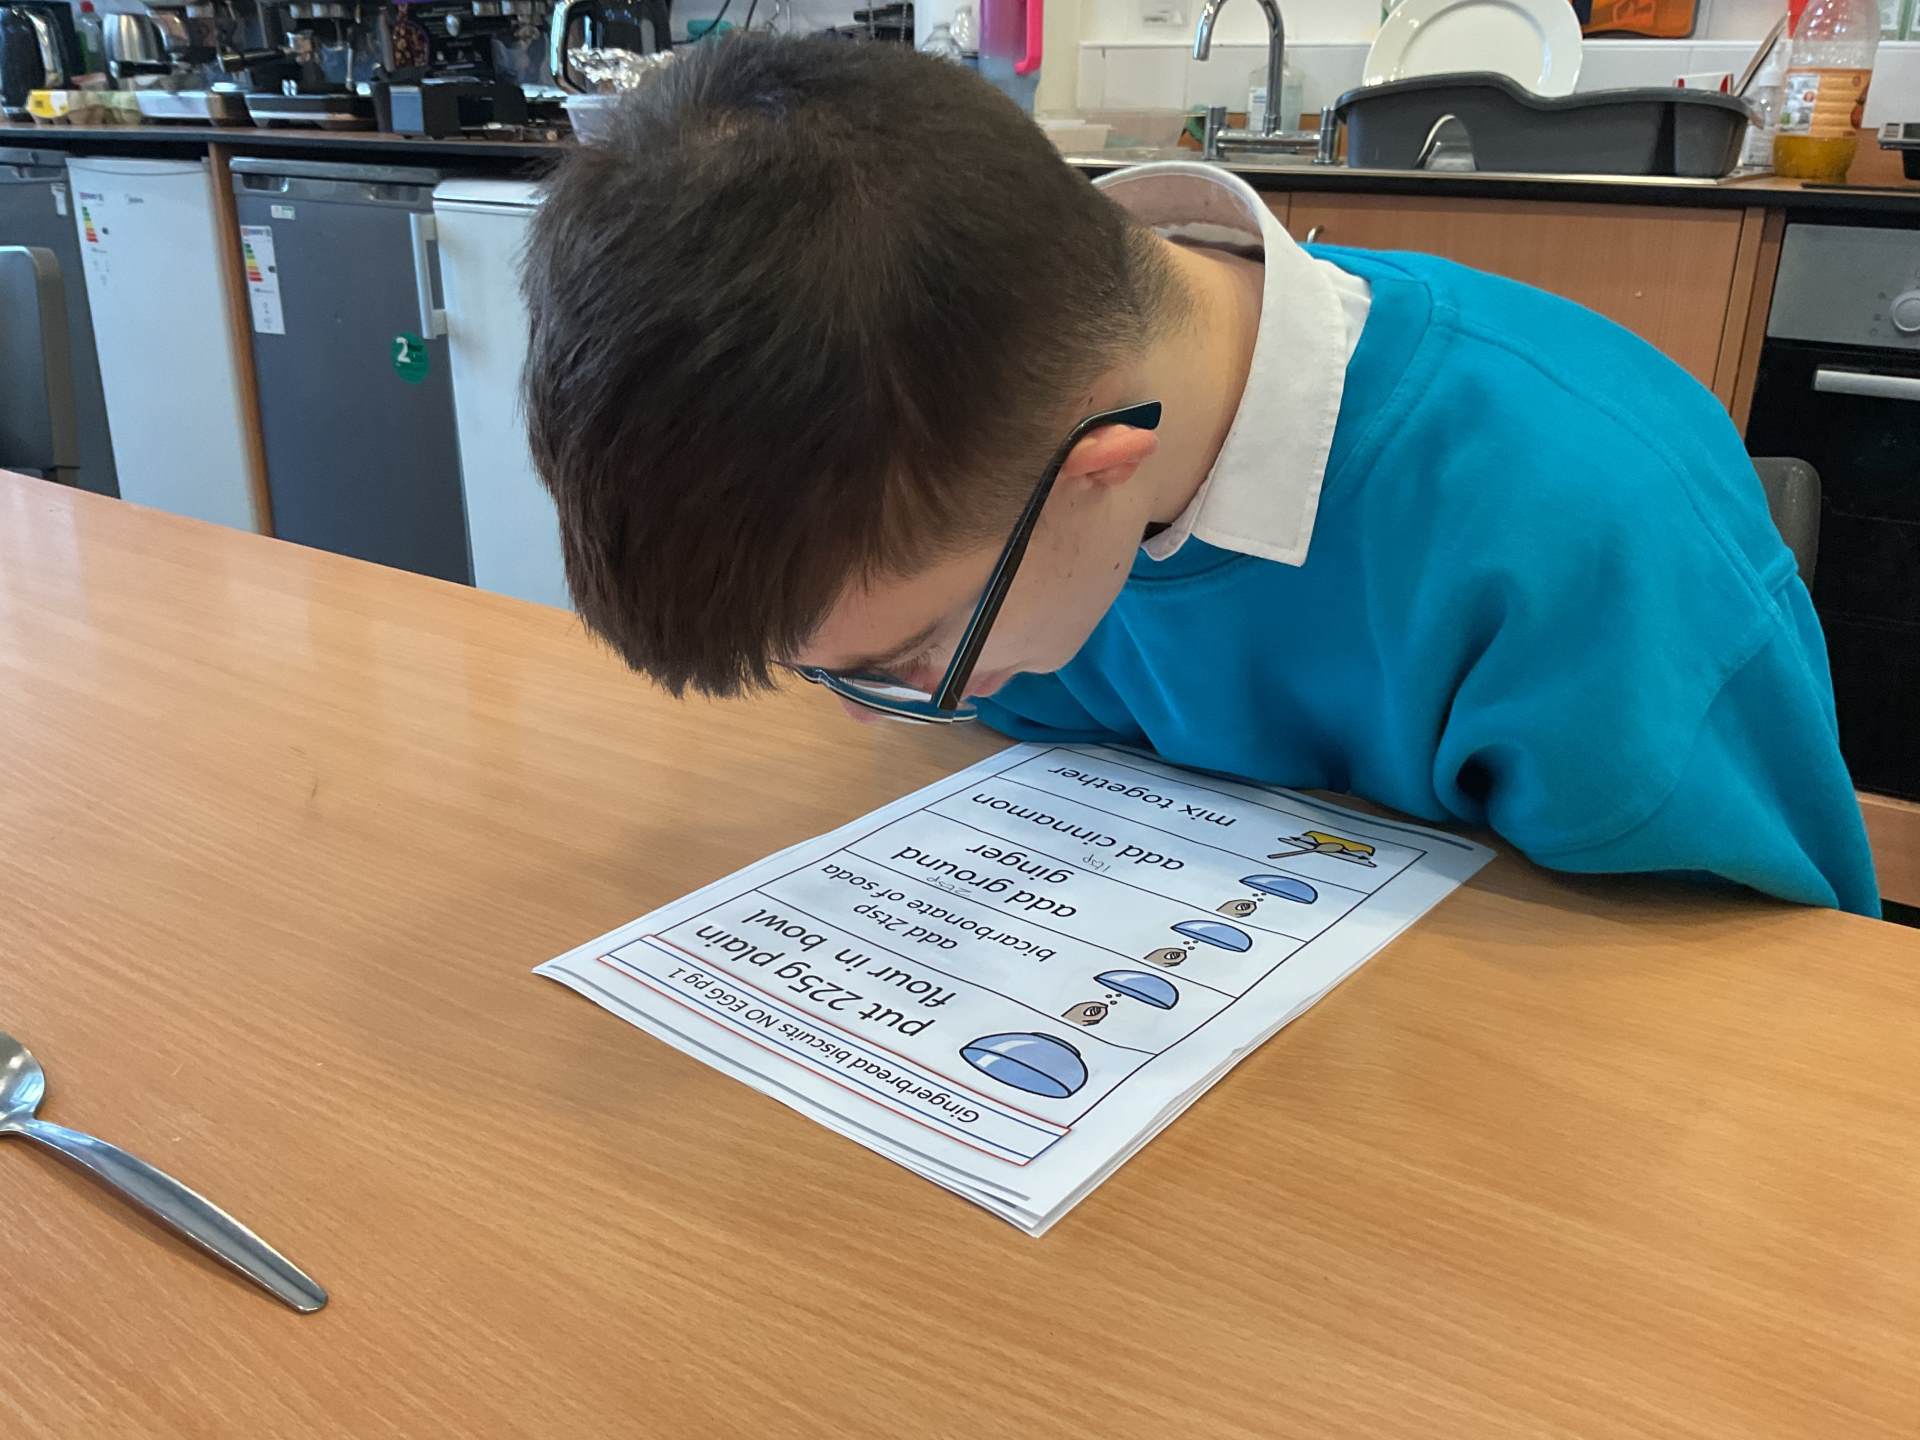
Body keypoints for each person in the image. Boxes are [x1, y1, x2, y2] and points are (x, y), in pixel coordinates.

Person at [519, 36, 1879, 916]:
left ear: (1103, 475)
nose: (912, 706)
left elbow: (1765, 1009)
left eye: (920, 655)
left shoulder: (1588, 539)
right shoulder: (997, 453)